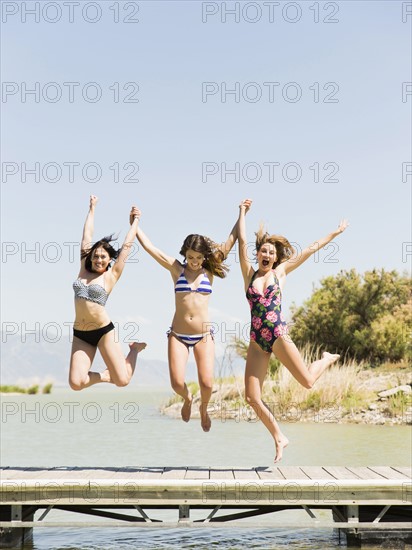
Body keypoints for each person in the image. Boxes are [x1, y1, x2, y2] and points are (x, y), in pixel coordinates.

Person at [237, 199, 348, 462]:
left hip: (278, 335)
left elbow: (310, 250)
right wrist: (241, 212)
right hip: (256, 340)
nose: (267, 255)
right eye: (263, 251)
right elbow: (241, 242)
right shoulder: (249, 275)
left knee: (308, 382)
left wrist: (335, 233)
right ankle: (279, 437)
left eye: (271, 253)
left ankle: (326, 359)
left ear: (276, 258)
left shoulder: (280, 273)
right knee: (252, 398)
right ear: (258, 254)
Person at [129, 204, 251, 432]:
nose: (194, 261)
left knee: (207, 383)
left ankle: (203, 408)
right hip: (178, 335)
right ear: (184, 254)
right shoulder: (177, 270)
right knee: (176, 383)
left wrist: (242, 213)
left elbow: (232, 239)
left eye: (198, 257)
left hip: (204, 335)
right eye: (190, 257)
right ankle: (187, 399)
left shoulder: (209, 270)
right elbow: (150, 248)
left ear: (204, 256)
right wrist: (135, 223)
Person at [69, 195, 146, 391]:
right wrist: (92, 209)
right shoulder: (83, 271)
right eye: (96, 256)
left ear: (109, 259)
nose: (98, 259)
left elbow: (127, 247)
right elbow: (86, 235)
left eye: (103, 257)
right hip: (81, 334)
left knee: (122, 381)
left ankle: (134, 349)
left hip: (104, 332)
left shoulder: (111, 276)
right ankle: (104, 375)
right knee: (76, 383)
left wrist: (135, 221)